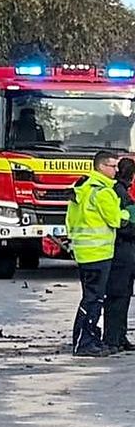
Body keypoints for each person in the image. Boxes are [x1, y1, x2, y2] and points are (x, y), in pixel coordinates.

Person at [66, 151, 128, 357]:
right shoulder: (103, 192)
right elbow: (116, 220)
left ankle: (89, 339)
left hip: (84, 252)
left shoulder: (82, 187)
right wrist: (127, 213)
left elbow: (70, 219)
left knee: (91, 298)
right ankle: (84, 342)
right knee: (94, 300)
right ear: (101, 167)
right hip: (99, 253)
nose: (116, 170)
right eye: (113, 166)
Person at [104, 157, 135, 352]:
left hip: (121, 252)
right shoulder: (119, 193)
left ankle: (118, 337)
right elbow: (123, 225)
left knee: (122, 296)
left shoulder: (117, 191)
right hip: (121, 252)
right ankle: (113, 339)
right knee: (118, 296)